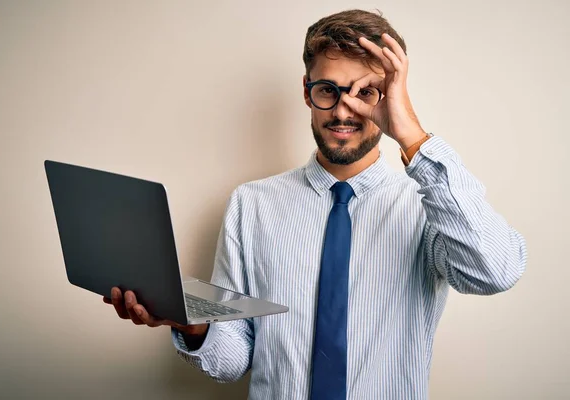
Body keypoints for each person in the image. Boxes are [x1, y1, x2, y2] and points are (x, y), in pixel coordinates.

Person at [103, 9, 527, 400]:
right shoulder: (252, 205)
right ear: (307, 93)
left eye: (366, 92)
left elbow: (495, 270)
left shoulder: (429, 206)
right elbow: (232, 361)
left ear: (389, 97)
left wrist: (412, 136)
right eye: (328, 89)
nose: (344, 110)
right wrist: (190, 322)